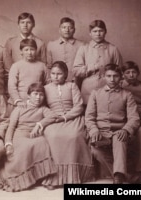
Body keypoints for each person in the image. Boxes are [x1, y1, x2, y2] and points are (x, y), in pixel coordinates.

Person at [0, 83, 57, 192]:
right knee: (26, 147)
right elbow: (11, 127)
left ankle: (41, 177)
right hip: (19, 134)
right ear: (28, 95)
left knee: (42, 142)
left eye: (41, 95)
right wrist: (8, 144)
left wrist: (39, 124)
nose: (38, 97)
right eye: (35, 94)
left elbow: (53, 116)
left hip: (34, 135)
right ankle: (21, 179)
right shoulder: (20, 108)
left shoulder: (43, 109)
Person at [85, 63, 140, 184]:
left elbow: (134, 118)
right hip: (101, 132)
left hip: (119, 131)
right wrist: (94, 129)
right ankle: (127, 175)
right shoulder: (96, 93)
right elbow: (89, 116)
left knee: (119, 140)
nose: (112, 79)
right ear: (104, 76)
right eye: (109, 76)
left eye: (115, 76)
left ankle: (118, 179)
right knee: (95, 150)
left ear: (120, 77)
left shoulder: (127, 94)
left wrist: (126, 130)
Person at [42, 61, 94, 189]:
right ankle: (54, 177)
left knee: (74, 135)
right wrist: (53, 117)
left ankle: (73, 177)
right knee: (53, 136)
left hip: (72, 118)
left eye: (59, 74)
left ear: (65, 74)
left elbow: (79, 106)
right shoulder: (46, 88)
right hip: (53, 119)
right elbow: (43, 107)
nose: (56, 76)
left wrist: (65, 117)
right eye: (53, 73)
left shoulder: (72, 86)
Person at [73, 20, 123, 105]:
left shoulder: (113, 49)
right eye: (95, 31)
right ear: (90, 33)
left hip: (109, 89)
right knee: (88, 114)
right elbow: (76, 71)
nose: (98, 34)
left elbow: (120, 72)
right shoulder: (84, 48)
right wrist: (91, 67)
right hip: (88, 90)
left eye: (101, 31)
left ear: (105, 32)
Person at [8, 38, 48, 109]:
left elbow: (48, 84)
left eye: (32, 49)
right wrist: (18, 100)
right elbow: (11, 86)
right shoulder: (16, 66)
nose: (29, 52)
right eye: (26, 50)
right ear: (21, 52)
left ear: (36, 51)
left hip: (37, 102)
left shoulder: (42, 66)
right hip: (20, 102)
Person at [47, 17, 83, 82]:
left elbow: (82, 67)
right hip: (56, 81)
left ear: (74, 30)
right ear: (59, 30)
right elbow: (49, 66)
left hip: (75, 81)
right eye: (64, 27)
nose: (67, 30)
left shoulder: (81, 45)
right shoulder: (51, 45)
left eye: (70, 27)